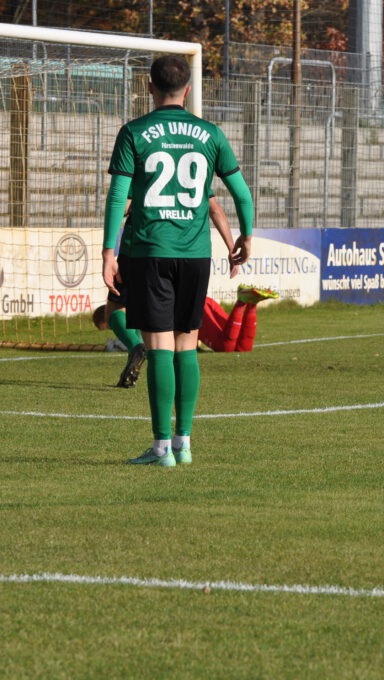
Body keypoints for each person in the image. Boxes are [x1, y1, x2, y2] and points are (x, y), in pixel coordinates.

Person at [102, 54, 254, 468]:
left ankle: (159, 450)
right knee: (187, 343)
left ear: (149, 87)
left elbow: (119, 198)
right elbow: (241, 194)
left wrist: (108, 253)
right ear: (188, 89)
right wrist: (246, 235)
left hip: (150, 251)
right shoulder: (210, 133)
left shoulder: (134, 131)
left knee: (158, 346)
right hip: (194, 254)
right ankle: (184, 443)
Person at [99, 195, 239, 389]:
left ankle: (136, 346)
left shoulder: (142, 166)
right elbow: (215, 209)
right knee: (179, 332)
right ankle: (182, 415)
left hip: (140, 249)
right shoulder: (194, 165)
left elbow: (123, 206)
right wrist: (232, 247)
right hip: (189, 251)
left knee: (115, 309)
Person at [94, 283, 277, 358]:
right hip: (203, 303)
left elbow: (143, 340)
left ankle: (241, 302)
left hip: (195, 310)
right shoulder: (138, 307)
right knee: (242, 347)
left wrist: (119, 343)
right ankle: (251, 304)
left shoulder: (131, 317)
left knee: (226, 347)